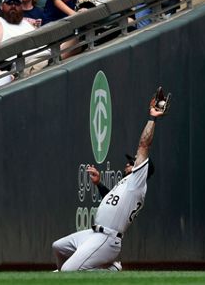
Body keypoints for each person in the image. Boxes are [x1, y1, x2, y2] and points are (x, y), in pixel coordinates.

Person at [52, 89, 169, 271]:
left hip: (107, 238)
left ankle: (110, 272)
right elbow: (110, 200)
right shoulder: (127, 184)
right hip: (93, 233)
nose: (129, 163)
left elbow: (144, 144)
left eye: (132, 162)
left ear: (141, 169)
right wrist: (99, 184)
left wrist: (152, 118)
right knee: (58, 247)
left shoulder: (138, 182)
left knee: (69, 271)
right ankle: (65, 275)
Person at [0, 0, 48, 76]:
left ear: (21, 7)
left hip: (50, 54)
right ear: (1, 7)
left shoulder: (28, 23)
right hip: (27, 65)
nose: (13, 6)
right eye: (9, 3)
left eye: (17, 3)